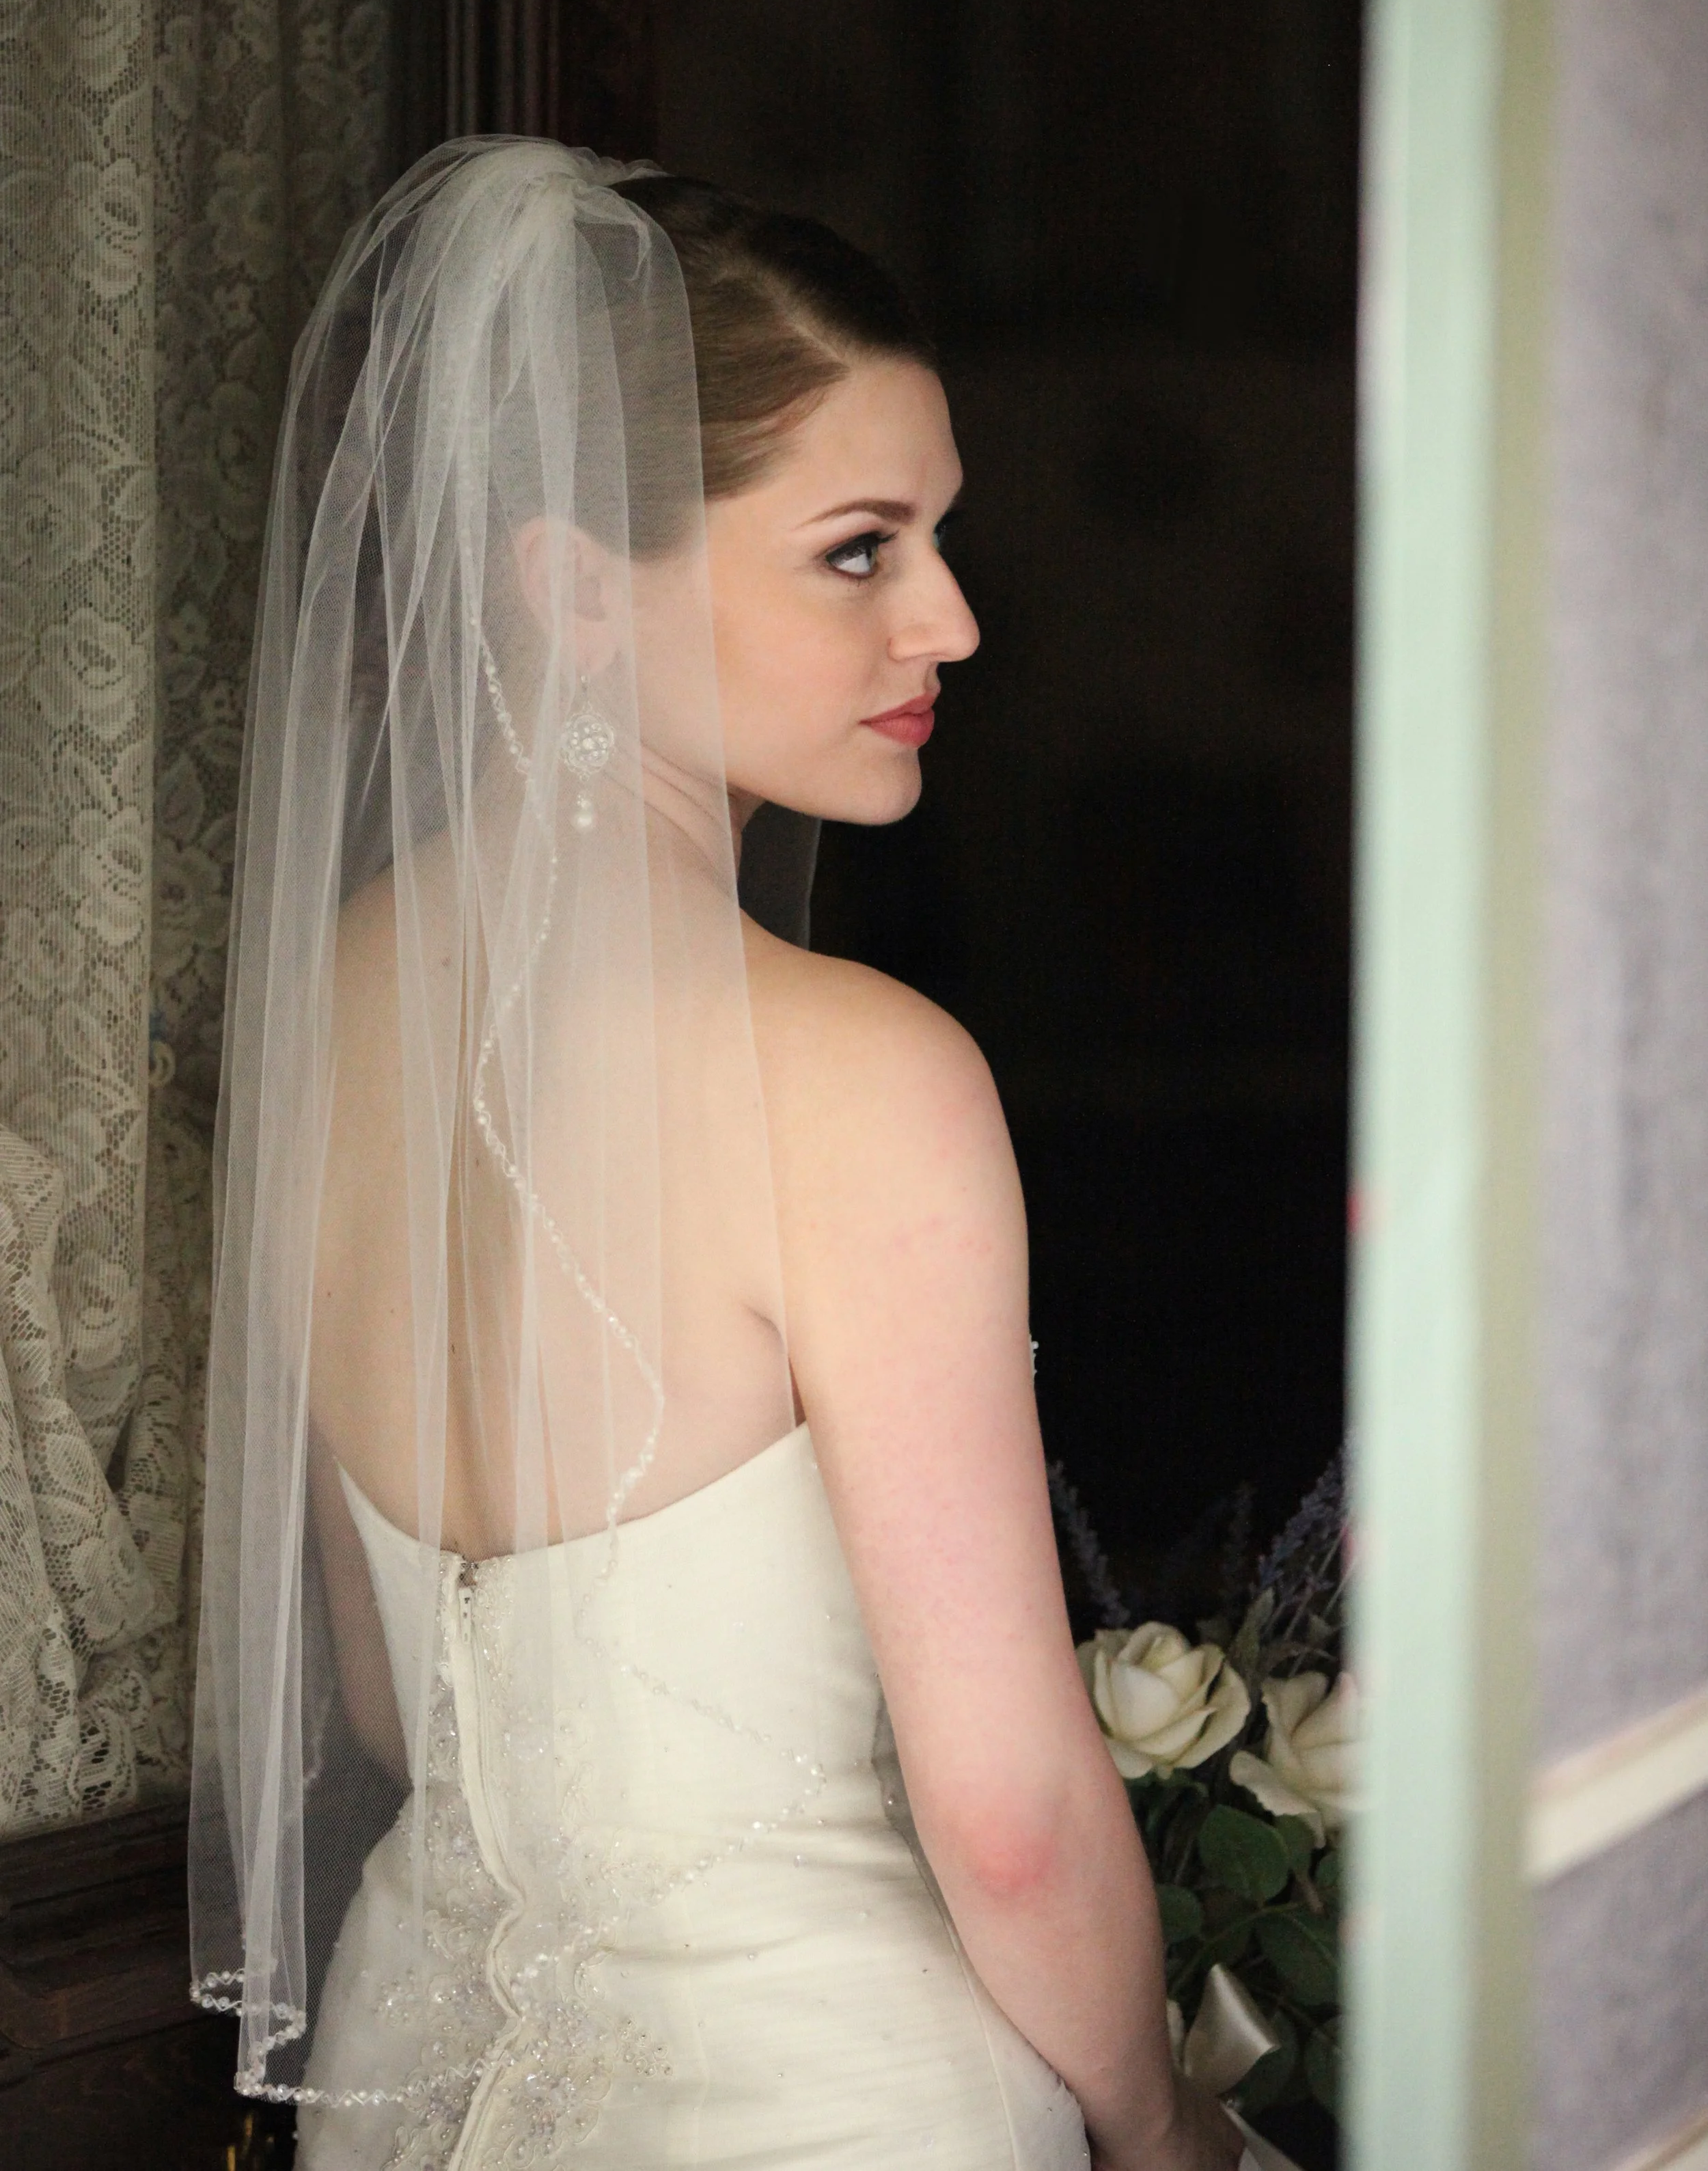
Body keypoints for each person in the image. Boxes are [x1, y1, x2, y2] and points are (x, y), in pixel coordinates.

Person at [189, 139, 1245, 2171]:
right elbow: (1013, 1818)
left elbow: (389, 1704)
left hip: (411, 2086)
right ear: (578, 588)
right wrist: (1162, 2124)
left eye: (937, 537)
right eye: (859, 550)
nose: (949, 618)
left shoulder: (324, 1009)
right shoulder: (861, 1074)